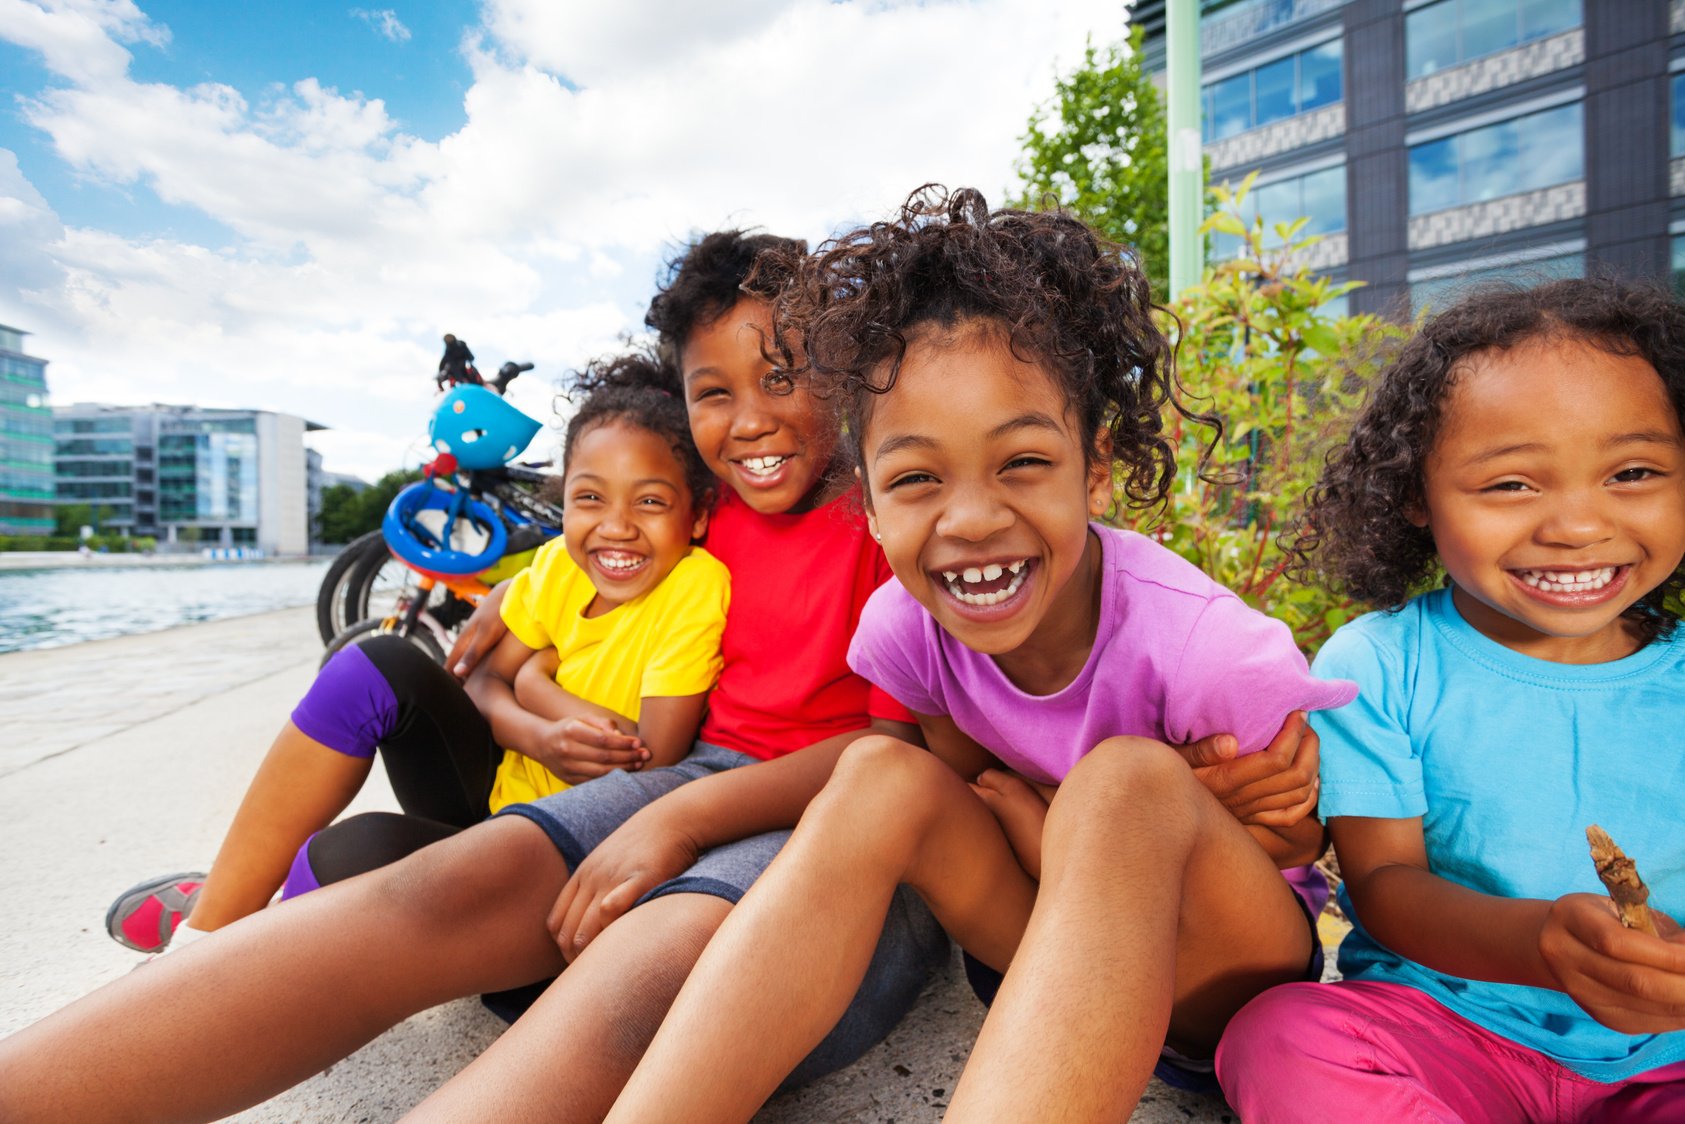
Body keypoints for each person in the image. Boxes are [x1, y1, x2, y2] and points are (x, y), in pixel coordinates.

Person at [0, 229, 947, 1122]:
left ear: (843, 370)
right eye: (713, 393)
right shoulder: (699, 519)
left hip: (831, 829)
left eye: (783, 376)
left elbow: (890, 758)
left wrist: (677, 815)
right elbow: (536, 615)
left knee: (643, 976)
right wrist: (517, 617)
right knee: (433, 888)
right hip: (688, 778)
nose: (751, 420)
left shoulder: (884, 520)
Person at [604, 187, 1357, 1124]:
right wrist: (1039, 826)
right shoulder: (900, 632)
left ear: (1096, 467)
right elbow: (968, 795)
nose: (969, 518)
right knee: (881, 771)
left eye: (1022, 463)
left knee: (1124, 784)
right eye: (916, 477)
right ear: (869, 508)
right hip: (1039, 934)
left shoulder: (1208, 651)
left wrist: (1235, 822)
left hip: (1219, 989)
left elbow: (1317, 843)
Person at [1214, 278, 1685, 1121]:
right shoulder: (1380, 662)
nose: (1578, 525)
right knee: (1279, 1036)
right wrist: (1539, 942)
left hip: (1668, 1062)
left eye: (1632, 472)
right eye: (1510, 485)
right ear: (1412, 494)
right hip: (1442, 1029)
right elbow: (1386, 884)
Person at [106, 351, 730, 955]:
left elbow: (652, 755)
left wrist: (536, 683)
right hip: (495, 796)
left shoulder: (693, 585)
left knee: (346, 852)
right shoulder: (559, 568)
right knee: (372, 664)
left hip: (563, 847)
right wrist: (538, 733)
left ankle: (241, 934)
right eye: (589, 498)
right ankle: (209, 931)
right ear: (562, 501)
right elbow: (482, 684)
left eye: (649, 502)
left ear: (698, 515)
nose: (616, 525)